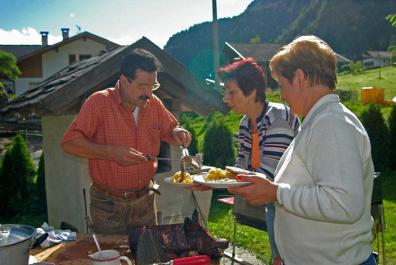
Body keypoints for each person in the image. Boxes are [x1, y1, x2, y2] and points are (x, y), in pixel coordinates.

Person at [229, 36, 376, 265]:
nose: (282, 96)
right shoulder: (319, 121)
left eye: (282, 85)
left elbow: (344, 203)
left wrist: (277, 193)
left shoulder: (331, 124)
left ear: (299, 78)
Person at [61, 48, 191, 234]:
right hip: (108, 204)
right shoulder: (99, 102)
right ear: (123, 81)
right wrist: (111, 153)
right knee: (112, 259)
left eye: (152, 86)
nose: (148, 92)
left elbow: (171, 130)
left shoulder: (154, 103)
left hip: (145, 200)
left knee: (148, 257)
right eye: (142, 86)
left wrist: (179, 132)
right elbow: (69, 143)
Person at [194, 58, 300, 264]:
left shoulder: (278, 117)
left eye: (231, 92)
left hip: (295, 210)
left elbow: (269, 177)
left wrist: (217, 183)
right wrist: (210, 179)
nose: (225, 98)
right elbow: (241, 169)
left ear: (251, 91)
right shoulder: (245, 124)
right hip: (275, 208)